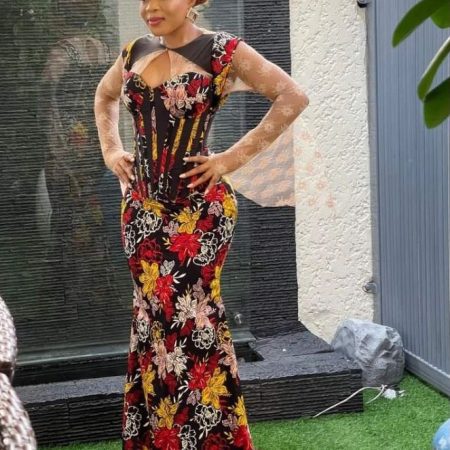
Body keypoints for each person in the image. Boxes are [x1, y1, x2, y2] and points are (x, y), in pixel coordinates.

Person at [94, 0, 309, 447]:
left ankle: (209, 439)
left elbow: (292, 97)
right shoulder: (134, 51)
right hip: (140, 213)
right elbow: (105, 96)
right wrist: (112, 150)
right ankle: (159, 438)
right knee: (152, 321)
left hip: (199, 215)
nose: (150, 6)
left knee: (192, 323)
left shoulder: (222, 51)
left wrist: (230, 159)